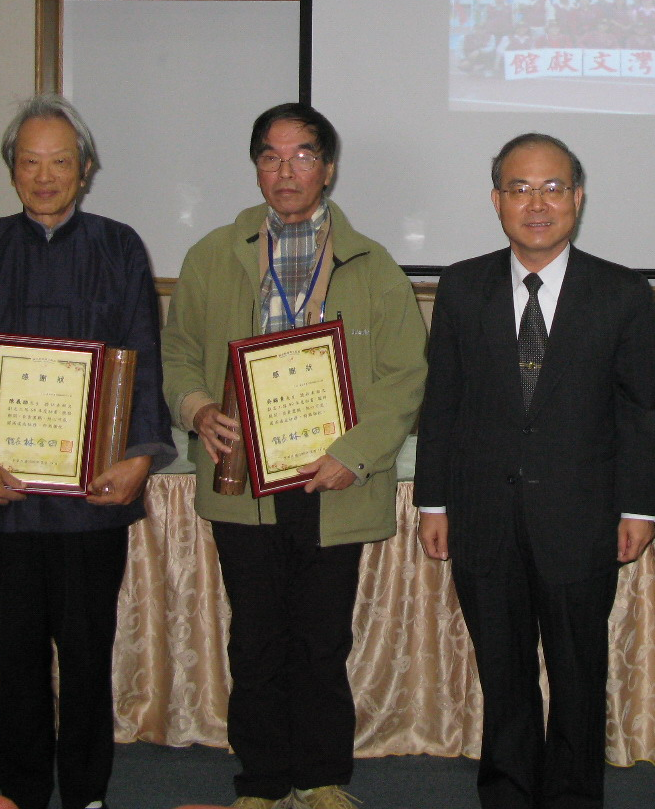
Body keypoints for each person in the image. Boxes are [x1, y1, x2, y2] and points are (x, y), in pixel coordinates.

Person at [162, 103, 427, 809]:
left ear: (328, 168)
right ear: (256, 167)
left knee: (319, 642)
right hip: (242, 478)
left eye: (302, 155)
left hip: (332, 481)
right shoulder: (212, 254)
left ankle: (320, 776)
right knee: (254, 644)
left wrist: (355, 454)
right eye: (271, 156)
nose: (286, 170)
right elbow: (178, 351)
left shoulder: (373, 264)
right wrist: (196, 408)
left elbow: (406, 374)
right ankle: (262, 779)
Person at [0, 94, 174, 809]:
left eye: (60, 162)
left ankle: (87, 792)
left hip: (92, 500)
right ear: (12, 170)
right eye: (30, 162)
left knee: (88, 654)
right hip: (2, 495)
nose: (45, 176)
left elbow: (144, 358)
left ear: (87, 169)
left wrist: (139, 456)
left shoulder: (119, 247)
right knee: (17, 657)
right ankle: (23, 791)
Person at [415, 134, 655, 809]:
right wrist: (433, 503)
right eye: (519, 189)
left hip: (581, 521)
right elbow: (444, 403)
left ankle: (574, 798)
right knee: (505, 673)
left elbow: (637, 412)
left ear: (578, 199)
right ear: (496, 200)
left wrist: (639, 509)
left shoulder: (623, 293)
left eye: (553, 187)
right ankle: (508, 793)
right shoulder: (463, 286)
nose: (537, 203)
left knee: (580, 676)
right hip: (483, 517)